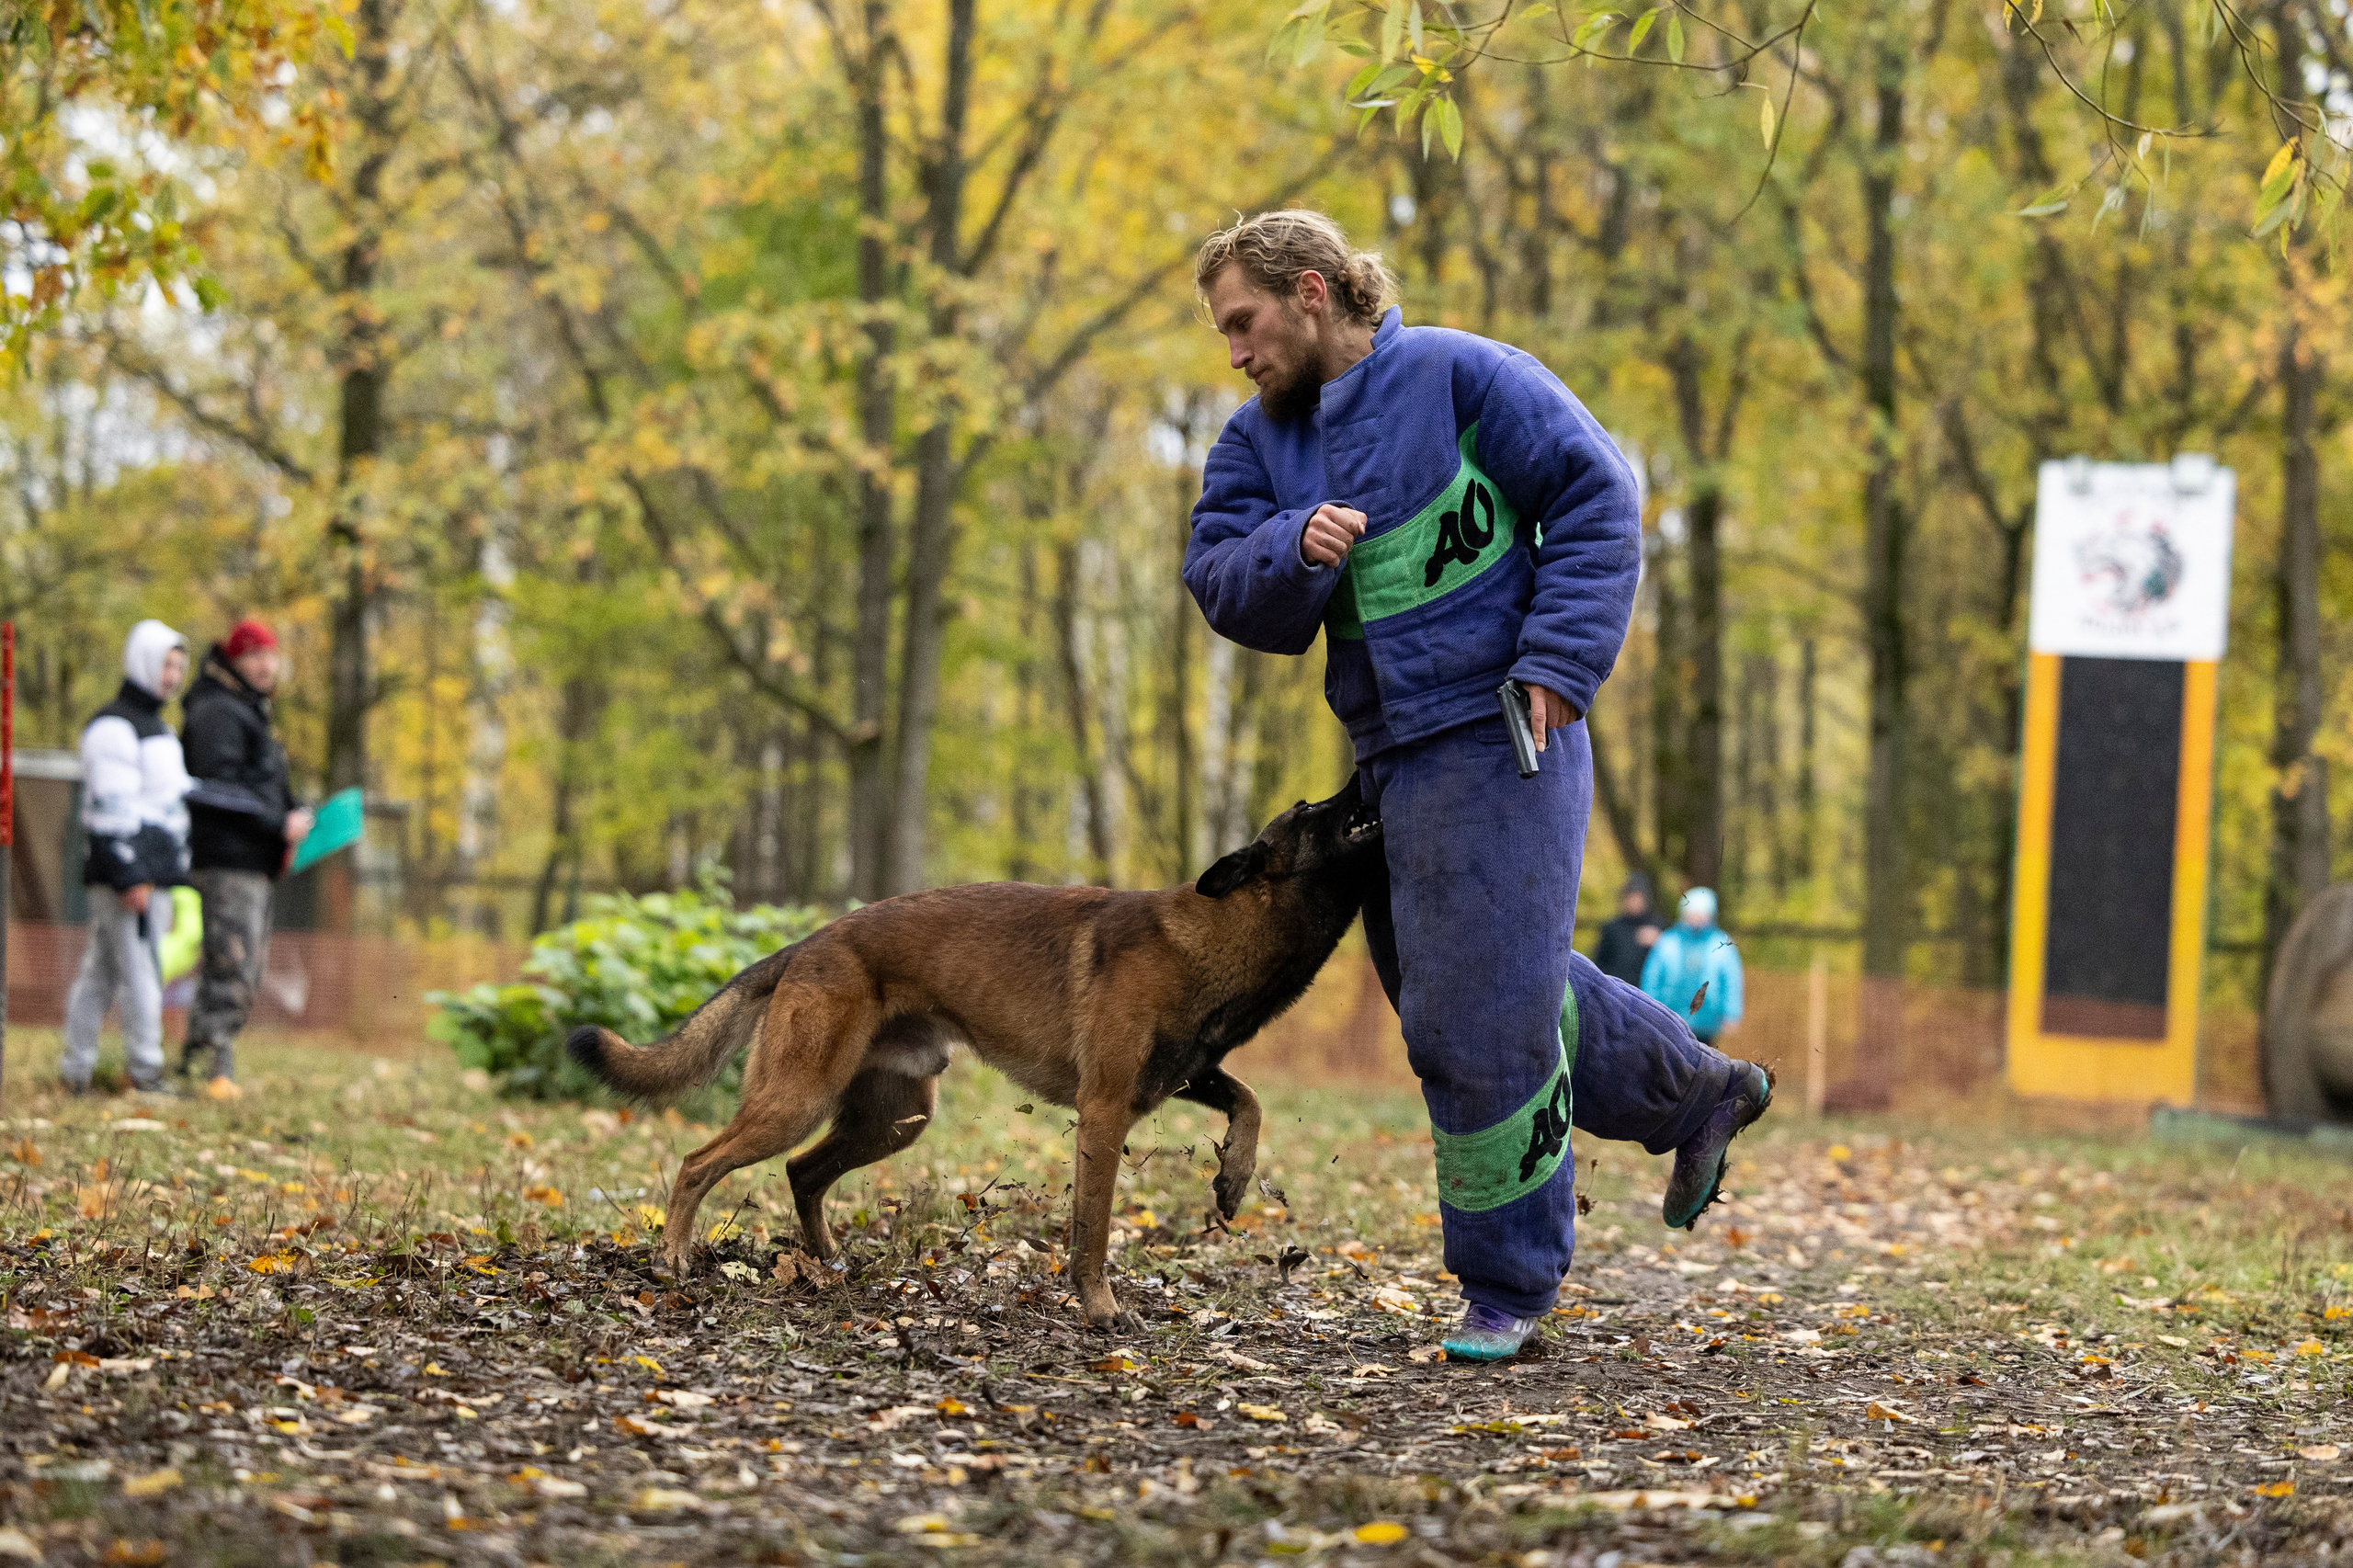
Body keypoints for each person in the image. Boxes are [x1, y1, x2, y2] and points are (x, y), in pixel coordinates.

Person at [1184, 210, 1771, 1362]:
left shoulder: (1463, 376)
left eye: (1244, 322)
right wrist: (1292, 545)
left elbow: (1597, 496)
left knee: (1473, 1016)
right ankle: (1697, 1090)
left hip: (1507, 729)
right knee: (1481, 984)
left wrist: (1557, 663)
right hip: (1389, 758)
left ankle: (1507, 1280)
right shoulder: (1258, 445)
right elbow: (1215, 578)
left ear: (1311, 292)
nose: (1236, 352)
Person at [179, 619, 313, 1095]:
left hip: (252, 860)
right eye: (254, 655)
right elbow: (217, 789)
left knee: (244, 967)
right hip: (227, 860)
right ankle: (213, 1065)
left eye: (270, 655)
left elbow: (263, 784)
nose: (265, 665)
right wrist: (277, 824)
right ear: (234, 660)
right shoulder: (217, 711)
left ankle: (199, 1056)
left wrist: (294, 812)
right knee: (232, 965)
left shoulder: (249, 711)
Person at [63, 620, 194, 1096]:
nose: (172, 675)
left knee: (102, 971)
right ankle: (145, 1071)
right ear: (142, 661)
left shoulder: (161, 729)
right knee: (141, 972)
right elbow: (109, 808)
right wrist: (129, 875)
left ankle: (76, 1068)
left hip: (153, 873)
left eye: (178, 666)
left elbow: (169, 801)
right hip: (128, 876)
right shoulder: (113, 728)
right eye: (165, 664)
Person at [1642, 887, 1745, 1046]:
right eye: (1692, 912)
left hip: (1707, 1022)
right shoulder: (1668, 941)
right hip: (1670, 1017)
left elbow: (1731, 980)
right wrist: (1647, 1008)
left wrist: (1731, 1013)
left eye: (1701, 912)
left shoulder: (1721, 943)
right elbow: (1652, 977)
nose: (1696, 916)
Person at [1593, 874, 1661, 987]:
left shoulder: (1656, 927)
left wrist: (1660, 940)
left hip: (1645, 991)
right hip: (1616, 990)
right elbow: (1600, 964)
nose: (1634, 902)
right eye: (1630, 897)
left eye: (1638, 897)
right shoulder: (1611, 928)